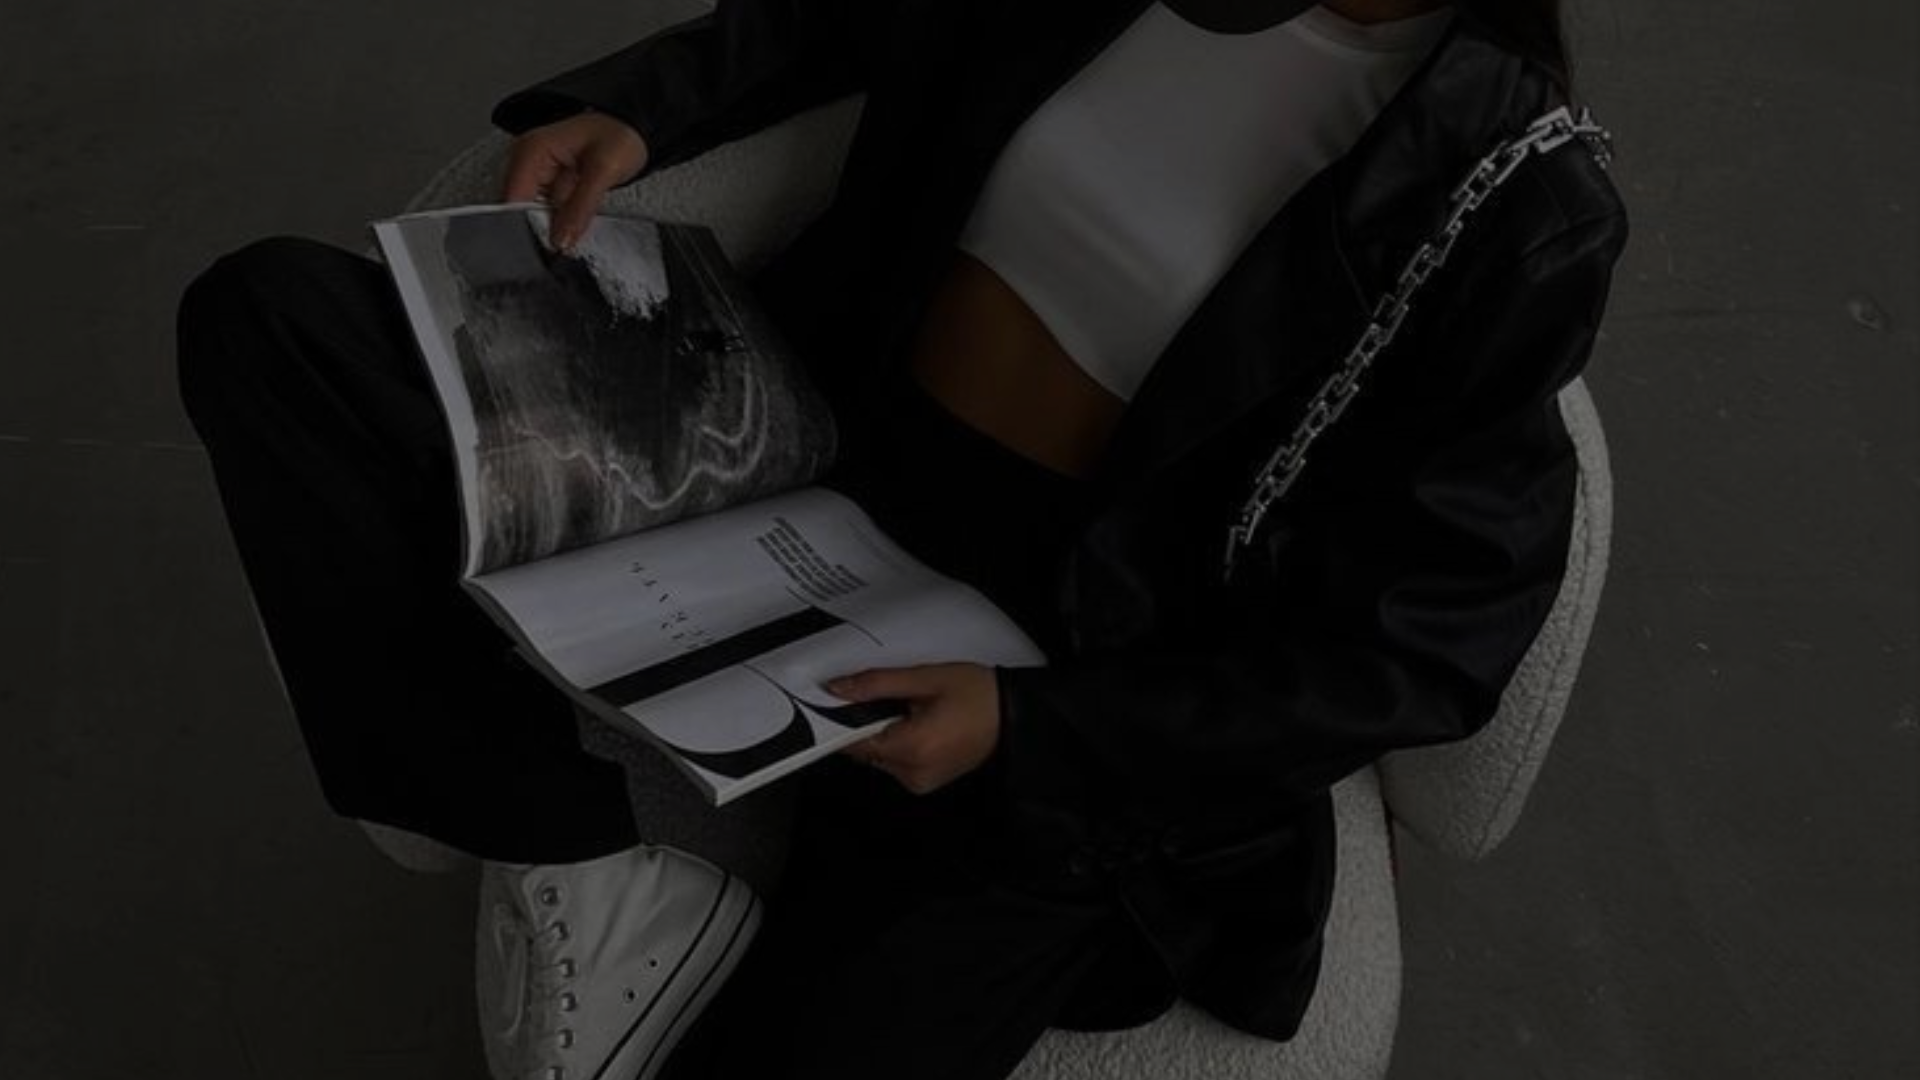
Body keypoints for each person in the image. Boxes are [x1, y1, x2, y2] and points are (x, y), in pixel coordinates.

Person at [175, 1, 1627, 1078]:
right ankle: (580, 866)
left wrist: (1030, 728)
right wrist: (640, 109)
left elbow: (1427, 647)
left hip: (1060, 664)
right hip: (796, 451)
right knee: (275, 324)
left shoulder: (1517, 207)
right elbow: (840, 8)